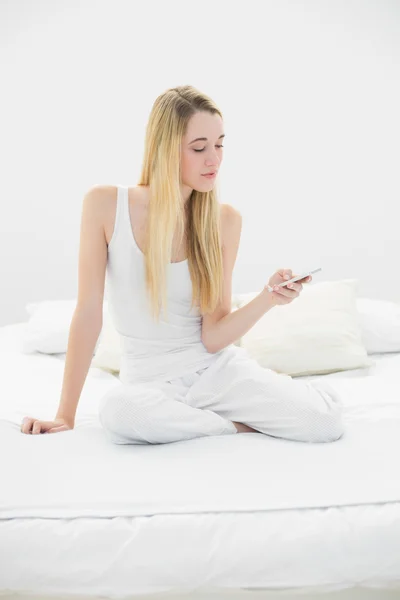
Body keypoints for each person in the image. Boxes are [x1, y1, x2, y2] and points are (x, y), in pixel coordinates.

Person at [21, 85, 345, 445]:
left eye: (220, 144)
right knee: (118, 411)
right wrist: (65, 414)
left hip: (216, 373)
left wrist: (269, 297)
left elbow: (214, 336)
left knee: (324, 423)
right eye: (199, 148)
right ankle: (231, 425)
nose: (214, 160)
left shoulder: (224, 220)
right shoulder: (105, 204)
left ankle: (220, 415)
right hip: (149, 385)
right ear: (165, 149)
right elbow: (88, 313)